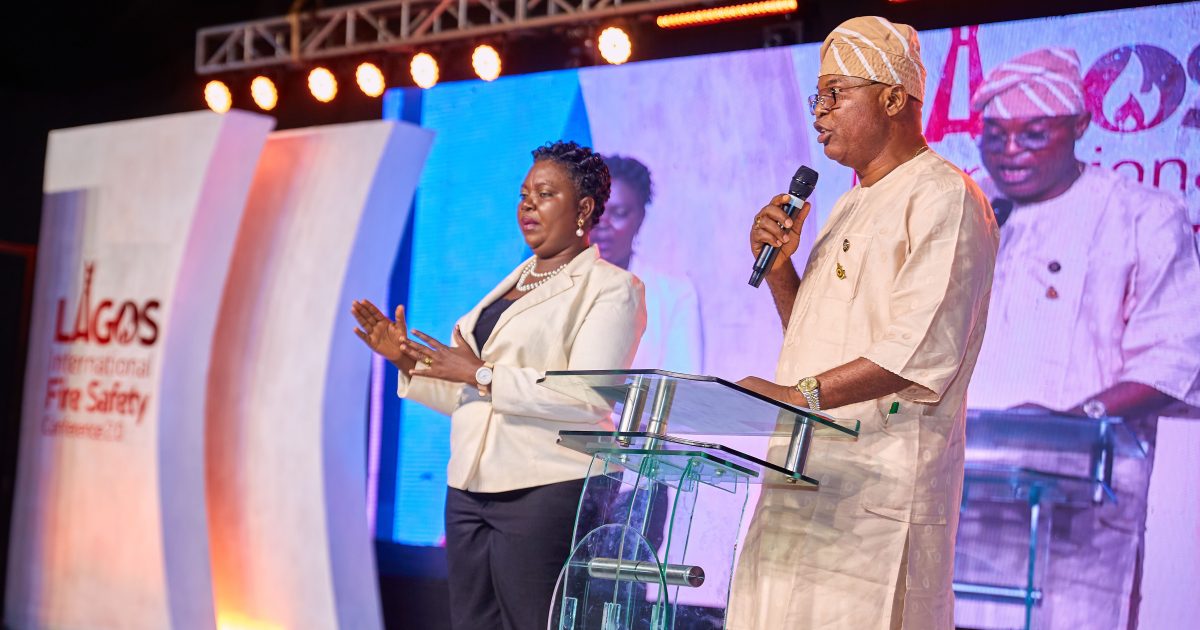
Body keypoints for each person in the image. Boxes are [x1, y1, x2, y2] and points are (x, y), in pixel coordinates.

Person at [726, 16, 999, 629]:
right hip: (803, 478)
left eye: (835, 94)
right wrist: (780, 271)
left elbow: (920, 350)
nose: (819, 113)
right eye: (816, 98)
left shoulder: (945, 196)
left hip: (878, 498)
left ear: (894, 99)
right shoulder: (847, 203)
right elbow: (814, 340)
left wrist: (795, 397)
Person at [351, 140, 647, 630]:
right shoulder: (510, 284)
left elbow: (587, 399)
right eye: (524, 194)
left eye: (545, 194)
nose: (528, 205)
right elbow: (472, 397)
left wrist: (481, 373)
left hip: (547, 486)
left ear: (583, 209)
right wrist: (405, 359)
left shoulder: (612, 287)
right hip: (469, 486)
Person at [961, 47, 1200, 630]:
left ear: (1080, 127)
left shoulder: (1142, 215)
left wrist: (1067, 425)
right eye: (995, 135)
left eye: (1033, 134)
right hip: (962, 502)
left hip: (1076, 517)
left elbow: (1173, 358)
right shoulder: (964, 211)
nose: (1010, 151)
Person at [593, 155, 703, 374]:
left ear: (640, 217)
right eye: (597, 212)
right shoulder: (559, 287)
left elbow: (683, 383)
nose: (603, 224)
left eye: (619, 213)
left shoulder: (674, 295)